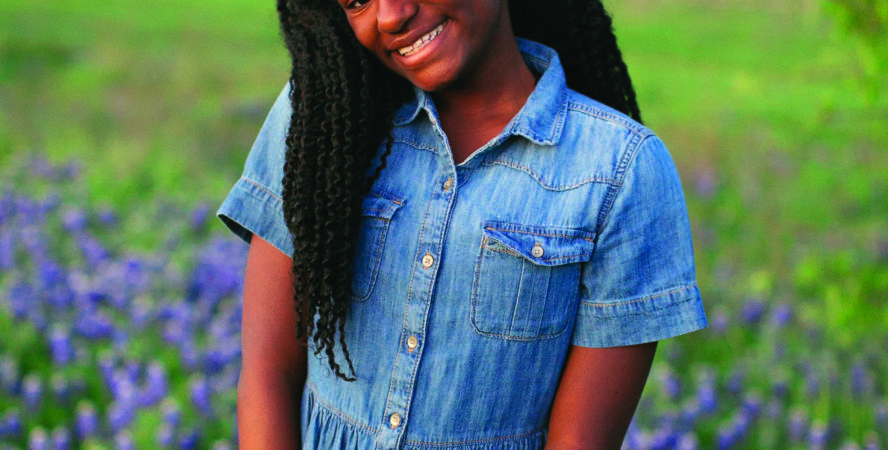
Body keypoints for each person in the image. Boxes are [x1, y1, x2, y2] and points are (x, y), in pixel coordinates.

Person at [217, 0, 708, 448]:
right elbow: (268, 374)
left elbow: (578, 442)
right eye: (356, 1)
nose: (390, 16)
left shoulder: (621, 169)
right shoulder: (322, 117)